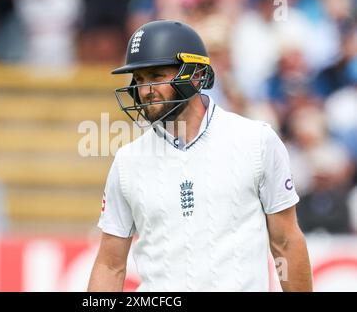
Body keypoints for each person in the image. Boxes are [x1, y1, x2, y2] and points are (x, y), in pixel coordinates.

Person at [88, 20, 312, 292]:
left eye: (157, 76)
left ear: (195, 75)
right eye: (139, 80)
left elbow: (286, 242)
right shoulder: (127, 161)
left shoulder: (257, 141)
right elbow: (110, 264)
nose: (145, 90)